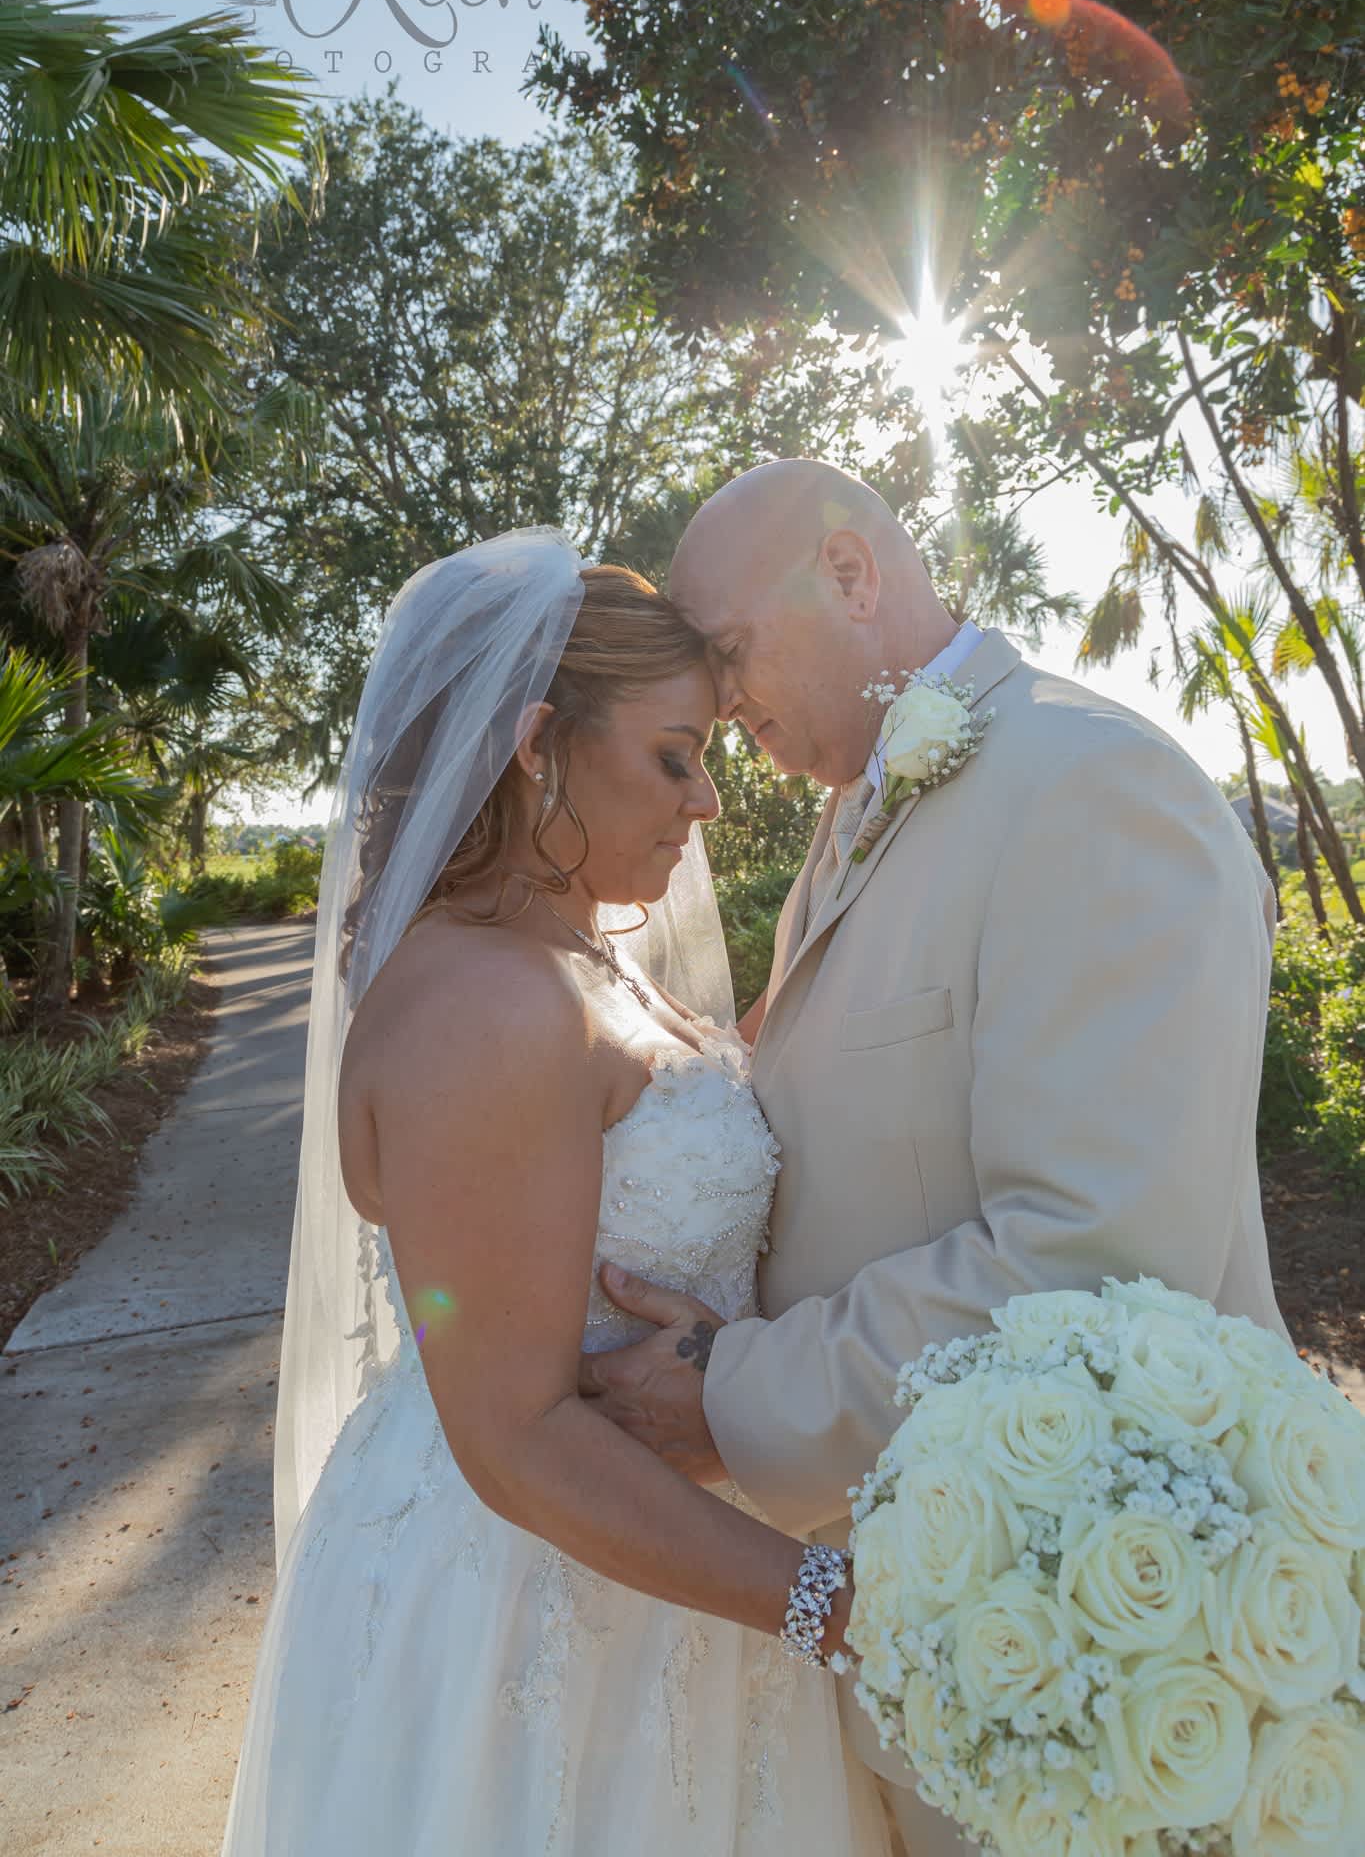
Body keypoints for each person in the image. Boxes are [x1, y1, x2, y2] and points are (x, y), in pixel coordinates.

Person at [579, 457, 1289, 1857]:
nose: (719, 701)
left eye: (729, 651)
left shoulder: (1092, 788)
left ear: (850, 575)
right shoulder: (856, 815)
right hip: (927, 1609)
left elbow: (1092, 1257)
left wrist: (735, 1394)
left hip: (1095, 1638)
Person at [219, 531, 891, 1857]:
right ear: (537, 746)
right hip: (536, 1613)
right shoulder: (484, 1004)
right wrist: (841, 1608)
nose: (708, 803)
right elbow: (517, 1434)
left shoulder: (581, 957)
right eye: (674, 755)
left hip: (673, 1565)